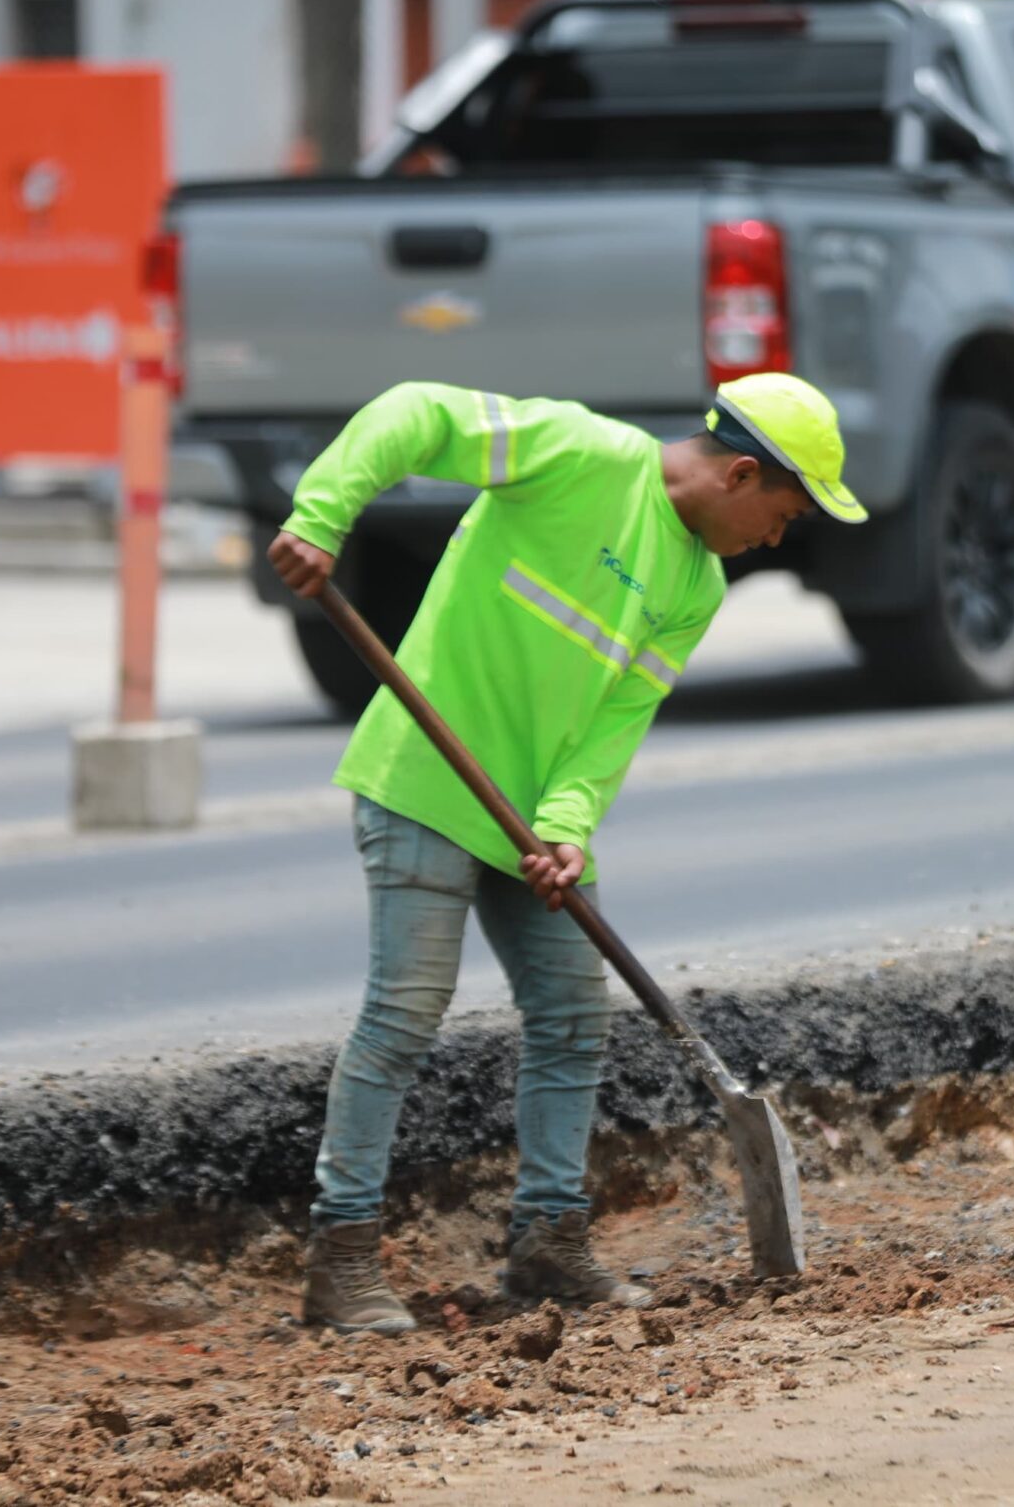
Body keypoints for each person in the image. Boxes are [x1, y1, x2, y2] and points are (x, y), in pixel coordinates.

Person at [268, 374, 867, 1333]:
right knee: (406, 1012)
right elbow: (413, 412)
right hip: (425, 776)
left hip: (532, 821)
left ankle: (549, 1242)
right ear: (742, 473)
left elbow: (616, 721)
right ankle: (339, 1257)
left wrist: (567, 826)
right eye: (782, 515)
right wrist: (323, 511)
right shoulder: (579, 451)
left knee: (572, 1014)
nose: (777, 540)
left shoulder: (695, 584)